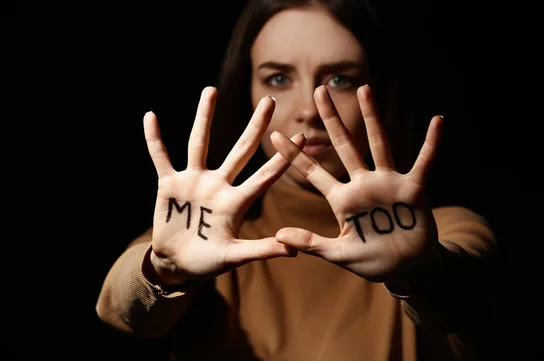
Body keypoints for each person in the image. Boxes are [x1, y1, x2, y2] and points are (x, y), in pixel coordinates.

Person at [96, 0, 498, 360]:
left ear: (379, 91)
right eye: (277, 78)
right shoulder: (202, 236)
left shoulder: (438, 230)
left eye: (340, 79)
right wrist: (164, 269)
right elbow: (124, 313)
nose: (309, 109)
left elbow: (470, 297)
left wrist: (420, 273)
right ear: (247, 91)